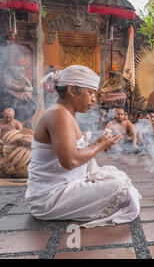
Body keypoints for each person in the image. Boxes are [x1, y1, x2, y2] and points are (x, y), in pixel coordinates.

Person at [25, 65, 141, 228]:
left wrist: (97, 144)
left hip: (63, 187)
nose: (94, 99)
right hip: (49, 197)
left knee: (118, 177)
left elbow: (72, 152)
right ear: (72, 90)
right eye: (91, 93)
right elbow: (70, 161)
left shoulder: (66, 113)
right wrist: (100, 145)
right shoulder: (59, 114)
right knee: (120, 187)